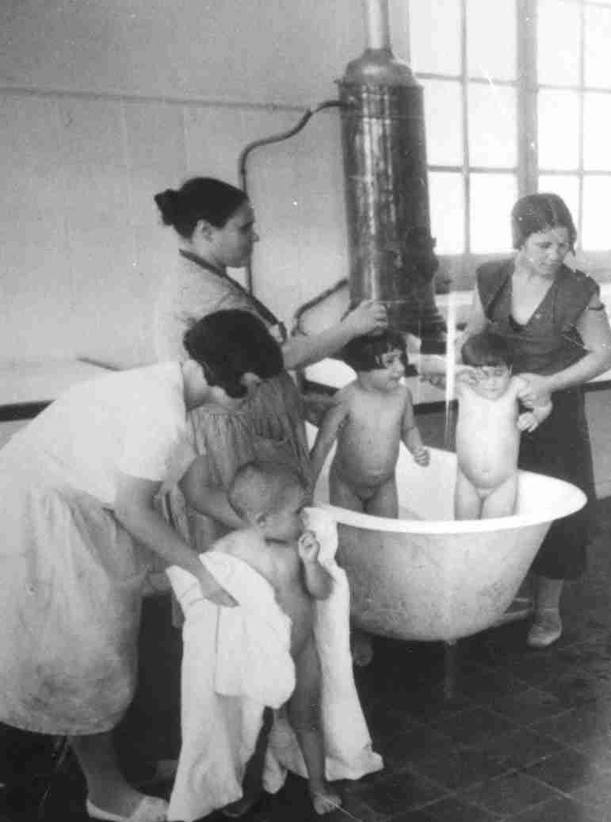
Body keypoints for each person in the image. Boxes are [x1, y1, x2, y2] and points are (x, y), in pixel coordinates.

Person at [0, 310, 283, 822]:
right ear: (228, 373)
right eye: (253, 384)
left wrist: (269, 523)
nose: (255, 395)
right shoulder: (161, 414)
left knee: (100, 641)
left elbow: (201, 493)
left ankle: (114, 765)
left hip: (75, 503)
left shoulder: (178, 396)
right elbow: (135, 510)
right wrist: (202, 573)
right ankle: (105, 794)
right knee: (87, 651)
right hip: (42, 511)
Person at [152, 177, 387, 550]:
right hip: (229, 440)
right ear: (205, 231)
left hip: (242, 426)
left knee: (274, 538)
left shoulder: (205, 278)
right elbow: (281, 356)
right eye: (244, 228)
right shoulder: (201, 291)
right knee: (257, 542)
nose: (255, 237)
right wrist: (350, 328)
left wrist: (296, 403)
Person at [462, 193, 611, 648]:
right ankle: (502, 595)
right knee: (496, 498)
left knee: (555, 510)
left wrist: (549, 384)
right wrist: (464, 369)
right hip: (497, 410)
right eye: (543, 245)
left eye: (563, 245)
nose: (554, 255)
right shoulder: (491, 278)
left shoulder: (578, 290)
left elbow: (604, 355)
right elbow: (473, 336)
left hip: (555, 414)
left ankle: (547, 609)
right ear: (520, 239)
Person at [212, 462, 340, 816]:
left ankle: (318, 785)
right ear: (262, 520)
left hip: (301, 651)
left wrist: (312, 564)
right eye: (297, 511)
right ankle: (247, 788)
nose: (306, 518)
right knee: (253, 725)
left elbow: (323, 591)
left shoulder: (298, 549)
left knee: (308, 718)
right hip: (261, 657)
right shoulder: (235, 553)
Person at [310, 329, 431, 518]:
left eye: (401, 359)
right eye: (390, 361)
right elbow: (322, 445)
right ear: (362, 366)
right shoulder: (346, 399)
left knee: (387, 531)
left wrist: (417, 448)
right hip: (346, 485)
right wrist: (307, 490)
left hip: (384, 485)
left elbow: (408, 428)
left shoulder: (402, 395)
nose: (400, 368)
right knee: (349, 533)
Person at [447, 332, 553, 520]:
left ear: (509, 369)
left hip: (502, 485)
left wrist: (535, 416)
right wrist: (457, 368)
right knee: (462, 531)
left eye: (499, 373)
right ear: (469, 373)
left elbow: (545, 404)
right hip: (467, 482)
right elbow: (428, 368)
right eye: (483, 375)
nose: (492, 382)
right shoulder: (463, 387)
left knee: (495, 533)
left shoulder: (516, 386)